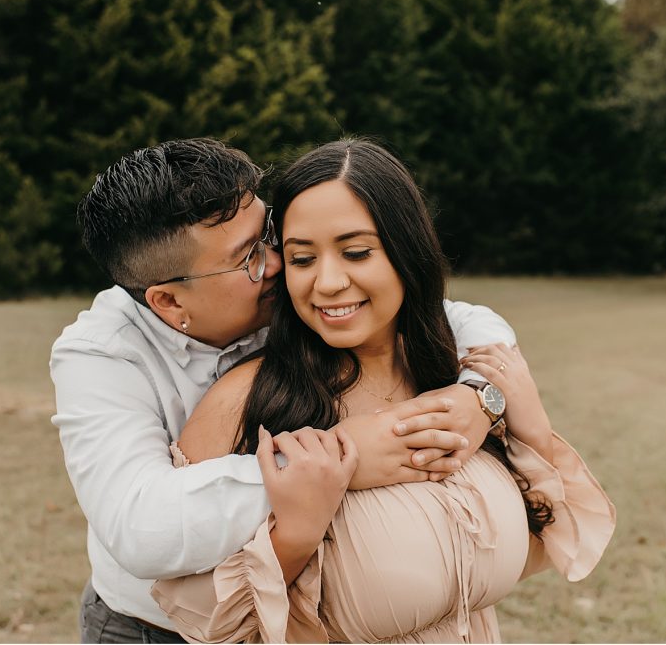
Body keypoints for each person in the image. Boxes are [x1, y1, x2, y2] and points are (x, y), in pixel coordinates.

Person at [50, 138, 522, 643]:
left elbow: (458, 319)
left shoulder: (290, 295)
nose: (278, 262)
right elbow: (141, 526)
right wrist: (336, 462)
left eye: (268, 233)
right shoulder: (102, 354)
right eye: (248, 258)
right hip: (153, 629)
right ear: (169, 301)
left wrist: (480, 396)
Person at [150, 139, 616, 643]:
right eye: (302, 259)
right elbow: (201, 623)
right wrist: (298, 533)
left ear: (407, 249)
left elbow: (538, 543)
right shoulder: (247, 403)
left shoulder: (458, 373)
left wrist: (530, 430)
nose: (327, 282)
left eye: (356, 252)